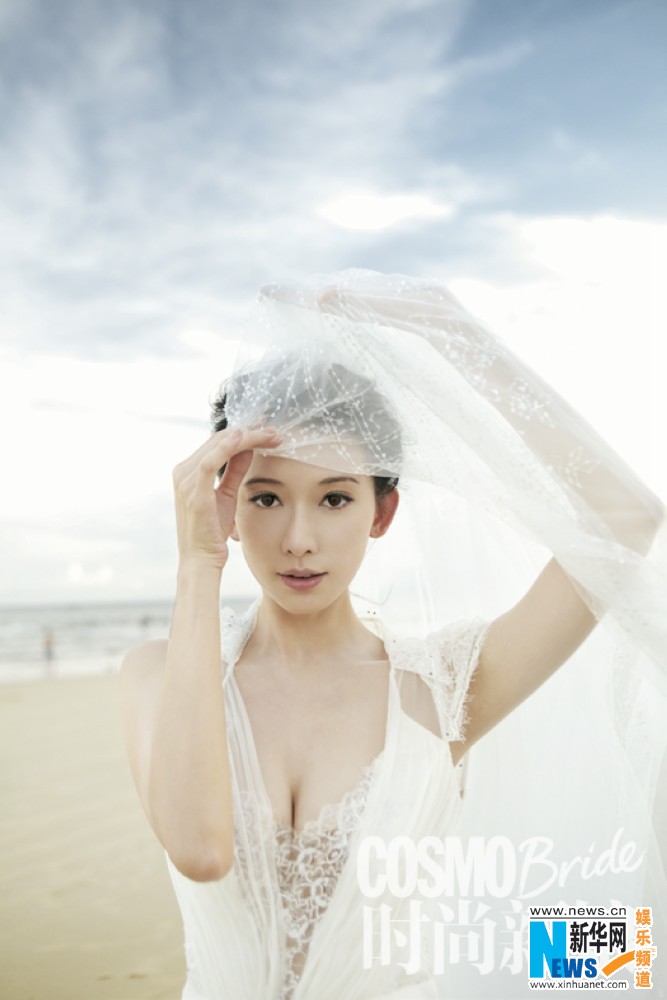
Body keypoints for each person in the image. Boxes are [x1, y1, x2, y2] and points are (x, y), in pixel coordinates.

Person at [119, 271, 666, 999]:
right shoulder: (156, 674)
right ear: (226, 505)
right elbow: (200, 851)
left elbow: (625, 521)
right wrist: (198, 563)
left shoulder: (443, 688)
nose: (299, 539)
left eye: (335, 498)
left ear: (381, 513)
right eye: (266, 497)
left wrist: (453, 332)